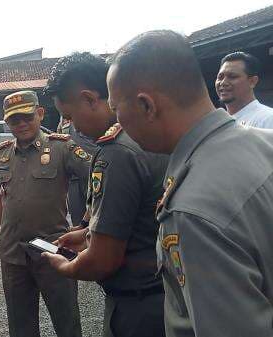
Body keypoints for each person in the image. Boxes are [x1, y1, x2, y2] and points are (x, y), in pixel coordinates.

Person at [107, 29, 273, 337]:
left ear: (146, 105)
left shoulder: (192, 210)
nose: (117, 122)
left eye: (116, 108)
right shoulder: (265, 142)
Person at [42, 52, 167, 337]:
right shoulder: (150, 134)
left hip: (138, 305)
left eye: (70, 116)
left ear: (89, 98)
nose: (71, 126)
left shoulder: (116, 153)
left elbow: (103, 260)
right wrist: (87, 234)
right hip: (166, 293)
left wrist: (67, 267)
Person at [0, 90, 88, 337]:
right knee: (21, 326)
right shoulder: (0, 153)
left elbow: (97, 182)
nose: (21, 124)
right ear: (7, 122)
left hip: (53, 250)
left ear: (40, 114)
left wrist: (86, 224)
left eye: (27, 117)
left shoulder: (63, 148)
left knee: (67, 322)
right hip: (13, 254)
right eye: (14, 120)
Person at [215, 51, 273, 128]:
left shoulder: (268, 119)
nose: (223, 82)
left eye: (232, 76)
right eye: (220, 77)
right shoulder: (218, 125)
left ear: (252, 81)